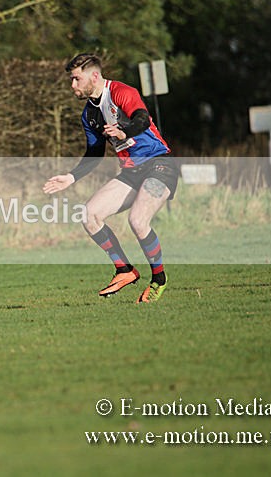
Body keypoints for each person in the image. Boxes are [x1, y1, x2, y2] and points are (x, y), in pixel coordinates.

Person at [43, 53, 178, 303]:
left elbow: (142, 119)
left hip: (160, 164)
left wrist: (123, 129)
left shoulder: (121, 91)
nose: (72, 85)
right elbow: (94, 152)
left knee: (137, 221)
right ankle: (124, 270)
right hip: (131, 172)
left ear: (94, 76)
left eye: (76, 79)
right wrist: (71, 178)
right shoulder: (89, 115)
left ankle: (159, 279)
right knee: (89, 214)